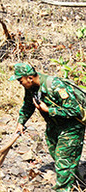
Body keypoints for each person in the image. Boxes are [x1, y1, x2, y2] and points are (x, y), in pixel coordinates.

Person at [11, 62, 85, 191]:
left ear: (30, 78)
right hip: (54, 126)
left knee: (63, 160)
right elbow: (28, 105)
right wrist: (21, 122)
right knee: (57, 155)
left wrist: (49, 110)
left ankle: (63, 189)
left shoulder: (55, 86)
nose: (19, 83)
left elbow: (75, 111)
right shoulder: (31, 88)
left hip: (72, 127)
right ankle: (77, 183)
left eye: (20, 80)